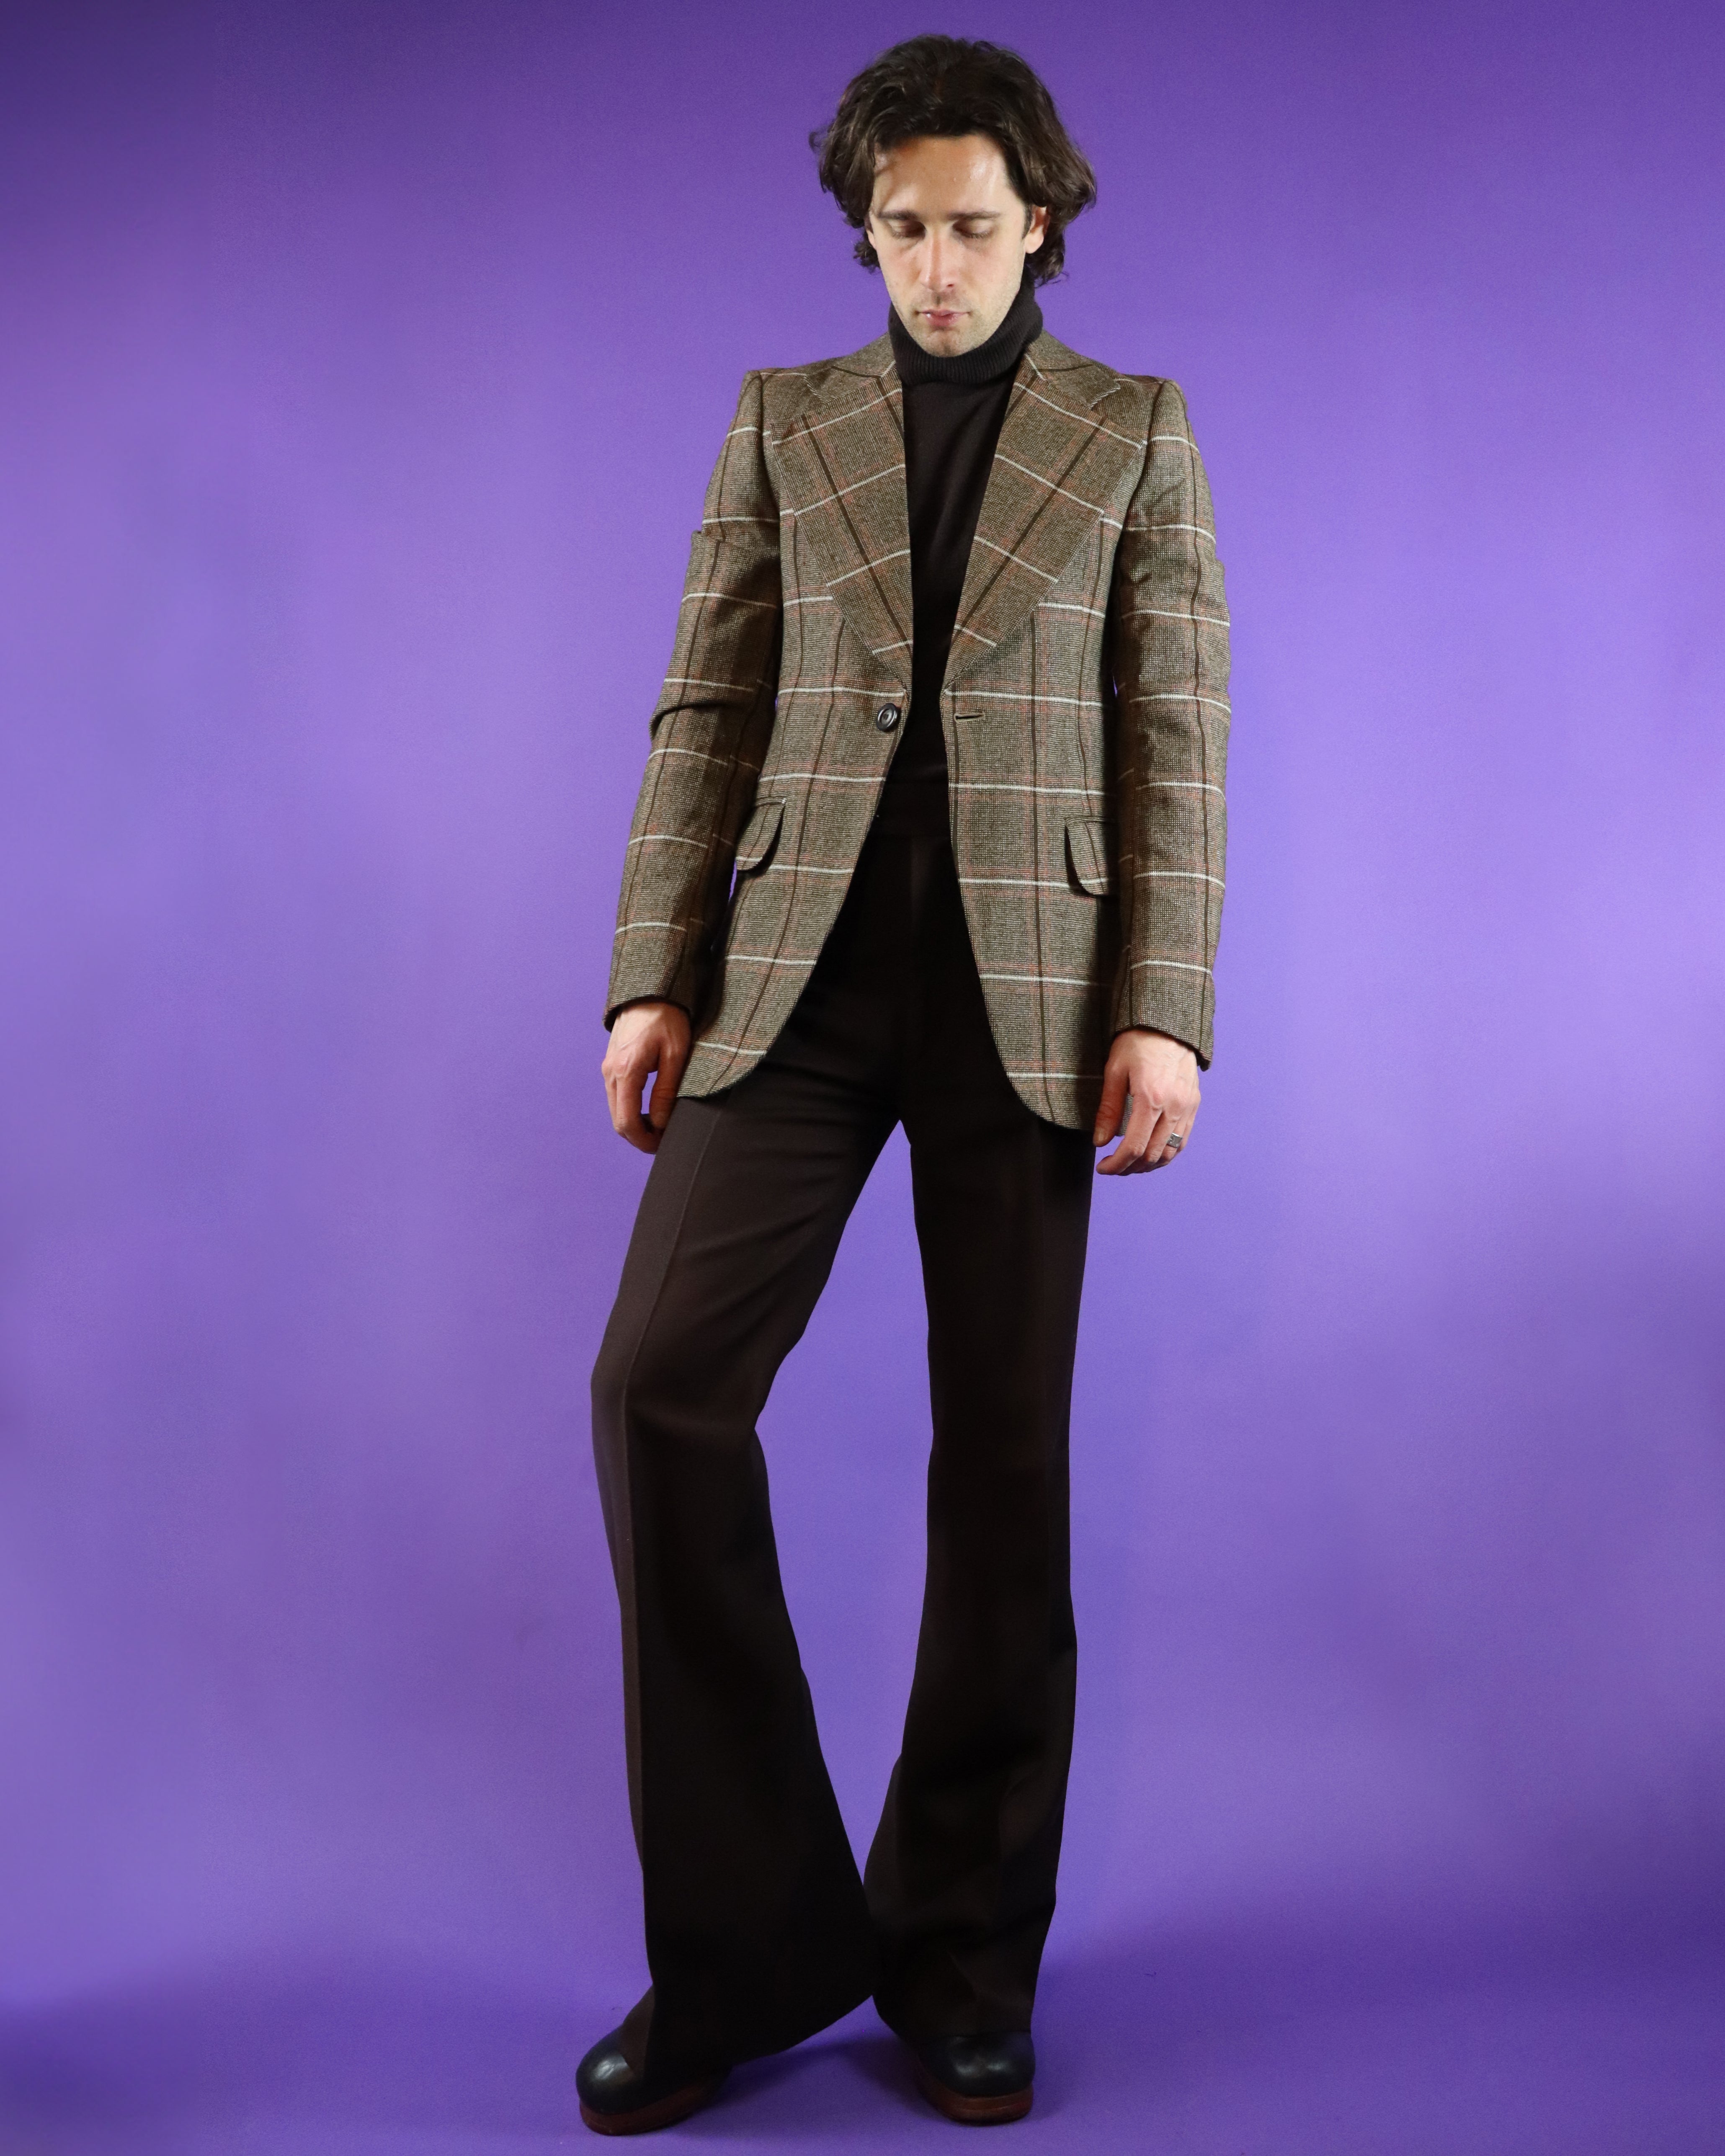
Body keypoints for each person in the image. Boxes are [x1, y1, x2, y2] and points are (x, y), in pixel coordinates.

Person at [578, 34, 1230, 2136]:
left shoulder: (1133, 434)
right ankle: (748, 1950)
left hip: (1030, 1005)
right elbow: (707, 704)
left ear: (1039, 220)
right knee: (657, 1389)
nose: (935, 268)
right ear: (862, 231)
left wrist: (1167, 1007)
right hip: (796, 989)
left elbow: (1175, 733)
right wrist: (651, 976)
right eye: (899, 231)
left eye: (969, 228)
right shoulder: (788, 423)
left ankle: (959, 1962)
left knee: (1003, 1469)